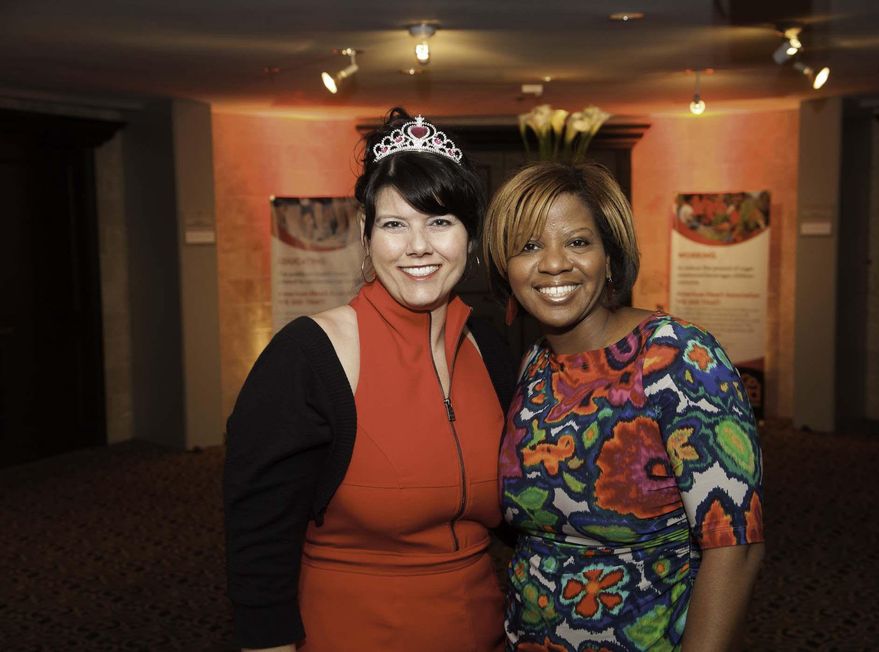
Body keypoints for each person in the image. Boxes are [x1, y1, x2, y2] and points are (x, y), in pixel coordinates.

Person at [224, 108, 514, 652]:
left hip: (484, 632)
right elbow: (258, 545)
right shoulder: (309, 356)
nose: (418, 246)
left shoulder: (489, 347)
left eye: (440, 221)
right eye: (394, 224)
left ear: (470, 237)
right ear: (365, 235)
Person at [483, 161, 765, 651]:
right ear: (507, 269)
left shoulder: (678, 355)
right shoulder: (535, 366)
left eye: (577, 242)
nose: (553, 263)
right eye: (529, 246)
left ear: (610, 258)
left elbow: (734, 543)